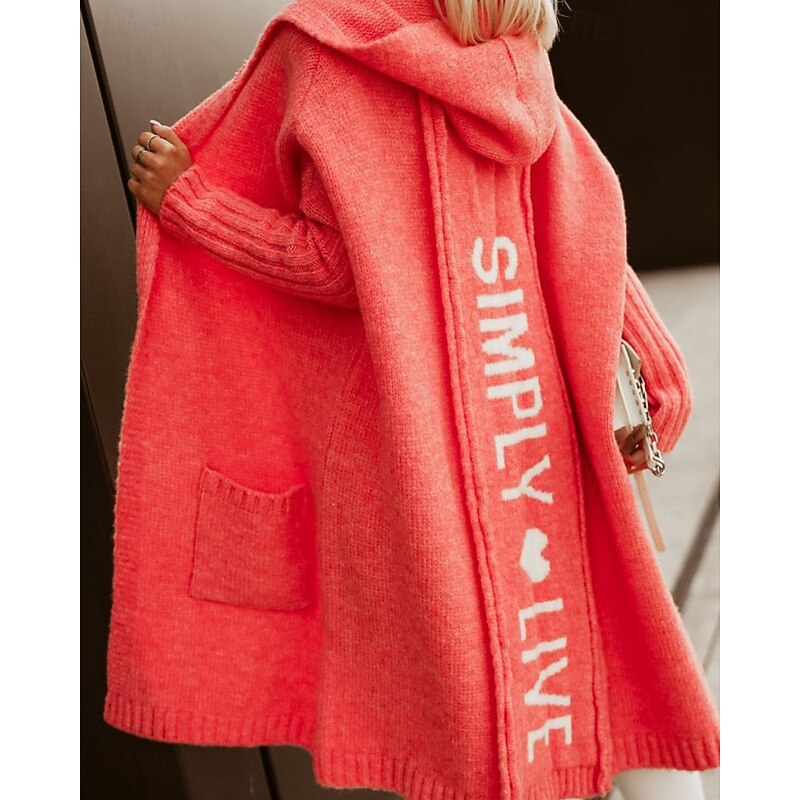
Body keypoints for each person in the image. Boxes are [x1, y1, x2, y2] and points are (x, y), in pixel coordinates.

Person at [115, 1, 718, 798]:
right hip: (546, 429)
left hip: (451, 452)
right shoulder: (512, 61)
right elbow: (577, 225)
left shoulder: (329, 52)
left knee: (492, 690)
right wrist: (657, 370)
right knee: (613, 660)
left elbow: (337, 265)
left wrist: (194, 202)